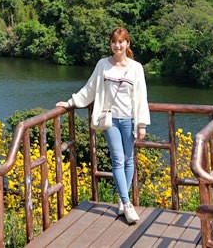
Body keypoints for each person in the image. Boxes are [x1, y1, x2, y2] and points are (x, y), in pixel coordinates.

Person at [56, 27, 150, 224]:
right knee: (117, 159)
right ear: (111, 44)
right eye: (114, 42)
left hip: (129, 120)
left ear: (127, 44)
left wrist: (141, 124)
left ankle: (121, 199)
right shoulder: (103, 65)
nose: (117, 45)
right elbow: (90, 88)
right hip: (110, 120)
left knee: (128, 159)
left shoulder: (136, 68)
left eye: (121, 41)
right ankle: (127, 203)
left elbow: (142, 97)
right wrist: (71, 102)